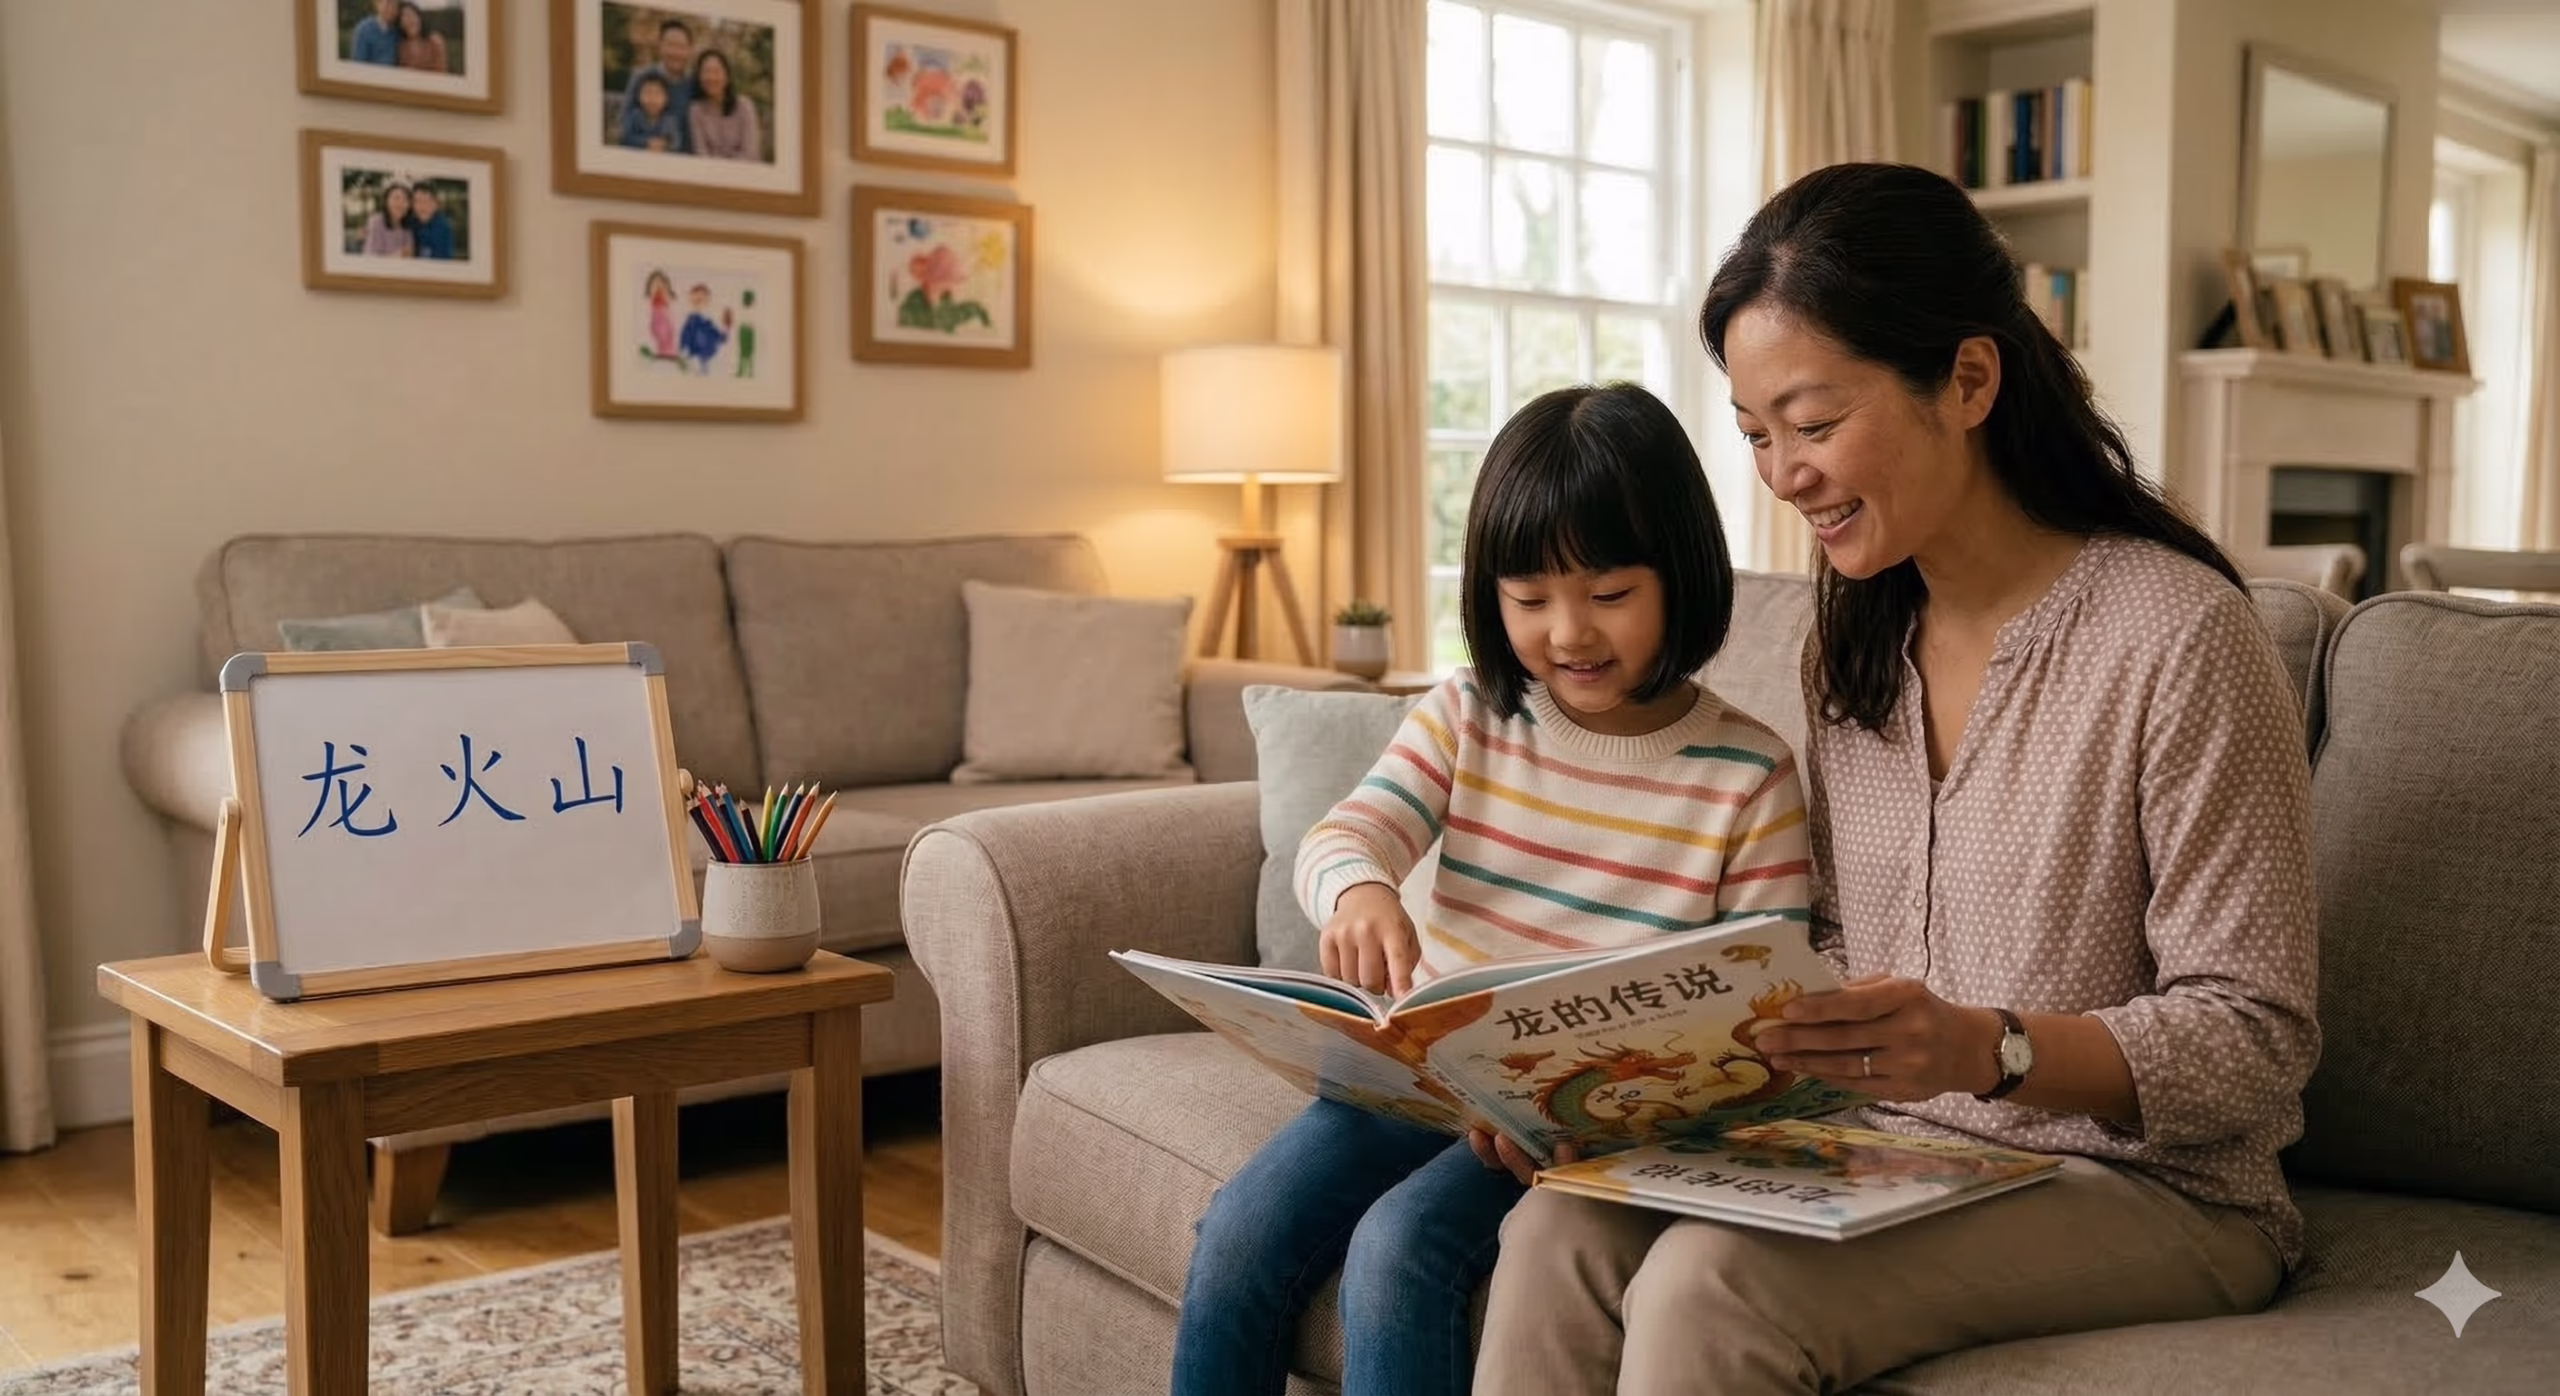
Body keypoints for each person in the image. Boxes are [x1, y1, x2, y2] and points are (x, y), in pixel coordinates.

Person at [1474, 162, 2318, 1395]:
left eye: (1812, 424)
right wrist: (1588, 1094)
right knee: (1556, 1226)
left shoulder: (2177, 637)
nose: (1781, 473)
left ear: (1968, 380)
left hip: (2157, 1190)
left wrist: (1991, 1050)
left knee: (1712, 1285)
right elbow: (1817, 957)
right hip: (1884, 1146)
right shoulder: (1853, 642)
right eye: (1756, 435)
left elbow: (2257, 1036)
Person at [1172, 383, 1815, 1396]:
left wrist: (1603, 1111)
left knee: (1397, 1251)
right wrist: (1359, 894)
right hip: (1417, 1082)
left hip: (1573, 1125)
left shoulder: (1747, 774)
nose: (1568, 632)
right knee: (1241, 1229)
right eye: (1528, 599)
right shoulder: (1470, 711)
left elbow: (1764, 1012)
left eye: (1608, 595)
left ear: (1681, 575)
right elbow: (1347, 833)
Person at [617, 19, 694, 153]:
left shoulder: (694, 84)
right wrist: (646, 143)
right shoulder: (641, 77)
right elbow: (623, 125)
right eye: (670, 45)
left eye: (681, 46)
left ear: (689, 50)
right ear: (660, 46)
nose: (675, 52)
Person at [685, 49, 763, 162]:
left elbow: (750, 153)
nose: (711, 77)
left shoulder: (745, 106)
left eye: (716, 71)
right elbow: (701, 154)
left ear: (727, 77)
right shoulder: (696, 110)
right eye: (706, 71)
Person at [618, 72, 682, 153]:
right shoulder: (635, 115)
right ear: (639, 96)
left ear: (667, 99)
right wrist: (646, 142)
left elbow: (677, 142)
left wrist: (664, 145)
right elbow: (625, 137)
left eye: (657, 93)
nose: (652, 98)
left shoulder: (670, 120)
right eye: (648, 92)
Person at [678, 283, 730, 373]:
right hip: (694, 357)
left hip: (706, 359)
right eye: (696, 301)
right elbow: (685, 336)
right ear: (691, 301)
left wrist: (726, 328)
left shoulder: (709, 322)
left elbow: (720, 338)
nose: (699, 304)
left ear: (708, 302)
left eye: (702, 300)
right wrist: (683, 350)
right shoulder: (691, 321)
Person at [360, 182, 413, 258]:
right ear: (386, 201)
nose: (400, 203)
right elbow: (370, 258)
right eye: (396, 198)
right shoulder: (376, 222)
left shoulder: (409, 225)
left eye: (405, 199)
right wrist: (397, 256)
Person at [394, 2, 448, 73]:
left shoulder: (435, 41)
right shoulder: (402, 47)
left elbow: (442, 73)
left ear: (419, 18)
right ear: (401, 24)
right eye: (405, 16)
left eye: (412, 15)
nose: (410, 19)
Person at [409, 183, 455, 261]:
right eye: (417, 201)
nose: (422, 206)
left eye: (426, 201)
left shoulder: (442, 227)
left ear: (435, 204)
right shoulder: (412, 223)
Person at [349, 0, 400, 66]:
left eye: (395, 6)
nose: (391, 9)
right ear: (378, 5)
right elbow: (358, 63)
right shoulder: (364, 29)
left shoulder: (396, 32)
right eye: (388, 4)